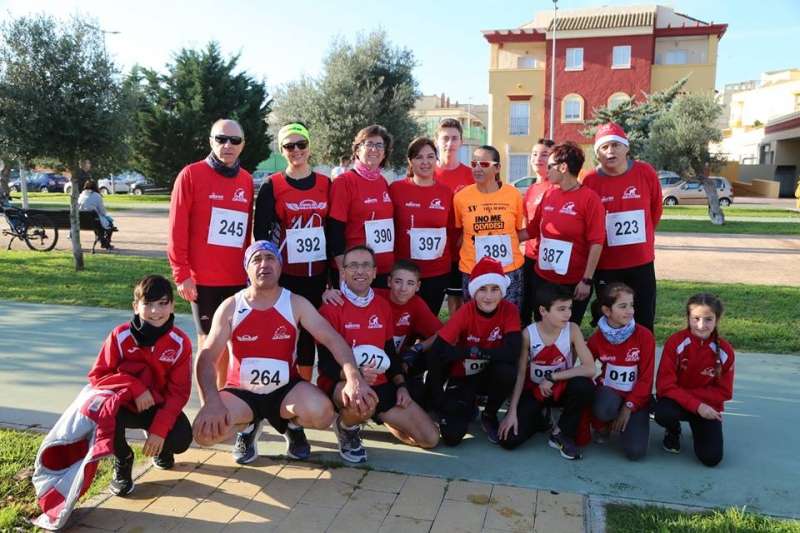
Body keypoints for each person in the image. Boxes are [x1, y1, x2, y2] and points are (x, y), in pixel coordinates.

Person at [192, 241, 375, 465]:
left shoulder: (296, 303)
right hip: (241, 392)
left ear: (280, 266)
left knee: (323, 414)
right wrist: (211, 401)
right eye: (257, 259)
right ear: (247, 268)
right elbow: (207, 357)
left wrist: (354, 377)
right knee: (204, 434)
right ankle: (248, 427)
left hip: (286, 391)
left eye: (270, 258)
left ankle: (292, 426)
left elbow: (333, 340)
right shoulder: (231, 306)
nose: (264, 264)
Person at [317, 246, 439, 462]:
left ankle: (378, 415)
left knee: (430, 438)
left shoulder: (382, 305)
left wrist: (401, 386)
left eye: (366, 265)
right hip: (343, 383)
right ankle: (346, 426)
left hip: (380, 384)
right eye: (353, 265)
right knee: (362, 401)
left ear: (374, 272)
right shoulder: (330, 308)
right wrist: (355, 375)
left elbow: (390, 353)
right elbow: (325, 365)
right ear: (343, 272)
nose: (360, 271)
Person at [168, 118, 254, 392]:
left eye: (234, 140)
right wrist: (181, 274)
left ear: (242, 145)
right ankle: (209, 402)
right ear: (211, 141)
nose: (228, 145)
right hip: (203, 280)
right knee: (209, 343)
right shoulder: (191, 175)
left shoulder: (246, 179)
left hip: (237, 279)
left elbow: (245, 232)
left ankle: (225, 396)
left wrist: (249, 273)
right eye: (221, 139)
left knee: (234, 342)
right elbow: (177, 228)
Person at [88, 275, 193, 496]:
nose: (156, 311)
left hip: (156, 406)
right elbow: (98, 377)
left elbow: (178, 393)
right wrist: (135, 387)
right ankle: (123, 460)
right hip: (124, 405)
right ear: (136, 307)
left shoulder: (180, 343)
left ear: (173, 306)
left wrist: (159, 430)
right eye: (148, 304)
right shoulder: (120, 336)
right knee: (101, 414)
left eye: (163, 303)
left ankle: (161, 448)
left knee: (181, 439)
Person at [253, 122, 330, 382]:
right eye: (289, 146)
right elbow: (261, 235)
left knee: (311, 333)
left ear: (309, 146)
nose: (296, 150)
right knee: (282, 331)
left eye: (301, 144)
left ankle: (306, 386)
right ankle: (279, 385)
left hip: (318, 273)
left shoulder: (326, 183)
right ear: (282, 150)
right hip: (285, 274)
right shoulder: (272, 185)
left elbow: (333, 230)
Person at [426, 257, 520, 446]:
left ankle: (489, 414)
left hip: (491, 376)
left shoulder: (509, 310)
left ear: (502, 291)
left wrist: (472, 352)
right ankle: (463, 406)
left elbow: (512, 352)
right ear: (474, 291)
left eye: (495, 289)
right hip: (464, 376)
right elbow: (437, 351)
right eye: (482, 289)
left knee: (508, 371)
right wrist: (439, 399)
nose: (489, 296)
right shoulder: (465, 311)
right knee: (452, 436)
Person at [498, 285, 595, 459]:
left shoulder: (572, 330)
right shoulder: (528, 334)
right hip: (535, 391)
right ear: (543, 311)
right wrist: (512, 412)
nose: (568, 314)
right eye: (561, 309)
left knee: (584, 386)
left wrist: (553, 377)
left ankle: (560, 432)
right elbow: (521, 374)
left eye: (569, 308)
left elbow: (590, 368)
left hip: (561, 389)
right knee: (508, 440)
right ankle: (540, 419)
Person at [582, 123, 662, 332]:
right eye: (604, 147)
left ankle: (642, 352)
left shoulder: (645, 172)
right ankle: (612, 352)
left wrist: (644, 237)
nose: (610, 151)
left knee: (643, 317)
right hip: (607, 263)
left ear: (626, 148)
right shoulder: (590, 181)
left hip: (641, 261)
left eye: (616, 145)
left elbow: (655, 210)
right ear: (597, 154)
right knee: (610, 318)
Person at [526, 142, 605, 326]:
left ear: (563, 167)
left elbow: (596, 242)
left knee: (567, 329)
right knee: (542, 326)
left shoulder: (589, 199)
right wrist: (502, 236)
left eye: (550, 166)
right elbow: (532, 229)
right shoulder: (549, 194)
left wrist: (586, 280)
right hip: (543, 278)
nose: (546, 171)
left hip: (574, 282)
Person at [654, 293, 734, 467]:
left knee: (711, 458)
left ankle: (698, 427)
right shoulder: (675, 342)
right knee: (662, 412)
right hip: (678, 403)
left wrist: (700, 407)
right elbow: (664, 385)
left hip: (707, 406)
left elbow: (724, 392)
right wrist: (696, 405)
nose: (701, 325)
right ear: (688, 318)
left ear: (717, 320)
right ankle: (673, 430)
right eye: (696, 318)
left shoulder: (725, 351)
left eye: (708, 319)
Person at [453, 145, 527, 309]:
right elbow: (460, 231)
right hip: (473, 268)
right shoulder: (461, 197)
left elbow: (516, 230)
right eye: (474, 164)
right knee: (475, 319)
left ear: (497, 168)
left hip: (508, 269)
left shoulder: (513, 195)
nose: (477, 169)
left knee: (509, 317)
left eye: (484, 164)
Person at [587, 282, 655, 461]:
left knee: (635, 452)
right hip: (609, 395)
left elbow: (646, 379)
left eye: (631, 305)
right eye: (623, 306)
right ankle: (603, 424)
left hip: (636, 398)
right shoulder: (596, 339)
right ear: (607, 310)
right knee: (604, 408)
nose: (630, 311)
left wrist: (629, 406)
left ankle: (628, 421)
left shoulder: (645, 336)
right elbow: (585, 369)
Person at [390, 137, 454, 314]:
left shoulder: (446, 192)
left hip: (437, 272)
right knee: (402, 322)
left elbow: (451, 230)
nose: (425, 162)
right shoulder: (396, 189)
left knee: (428, 322)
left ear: (436, 159)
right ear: (410, 161)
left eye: (430, 156)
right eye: (419, 157)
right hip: (404, 273)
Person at [328, 125, 395, 288]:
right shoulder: (344, 182)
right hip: (355, 270)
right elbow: (334, 229)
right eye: (369, 144)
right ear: (357, 150)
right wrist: (343, 269)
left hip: (383, 269)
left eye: (379, 145)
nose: (374, 149)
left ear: (384, 153)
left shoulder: (383, 182)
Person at [434, 118, 473, 318]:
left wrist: (466, 235)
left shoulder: (471, 175)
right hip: (434, 250)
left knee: (458, 300)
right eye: (445, 138)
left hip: (461, 248)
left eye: (454, 138)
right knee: (430, 300)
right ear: (436, 141)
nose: (449, 143)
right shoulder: (427, 172)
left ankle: (457, 333)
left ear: (461, 142)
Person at [521, 139, 555, 326]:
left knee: (542, 310)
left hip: (548, 259)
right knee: (524, 306)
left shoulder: (556, 187)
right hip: (529, 256)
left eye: (544, 155)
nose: (538, 158)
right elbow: (528, 225)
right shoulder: (531, 189)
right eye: (534, 154)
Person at [78, 179, 116, 250]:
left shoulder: (80, 195)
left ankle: (103, 241)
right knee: (109, 224)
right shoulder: (97, 196)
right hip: (93, 221)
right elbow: (102, 211)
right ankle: (105, 243)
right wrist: (106, 216)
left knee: (97, 222)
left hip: (81, 221)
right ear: (95, 187)